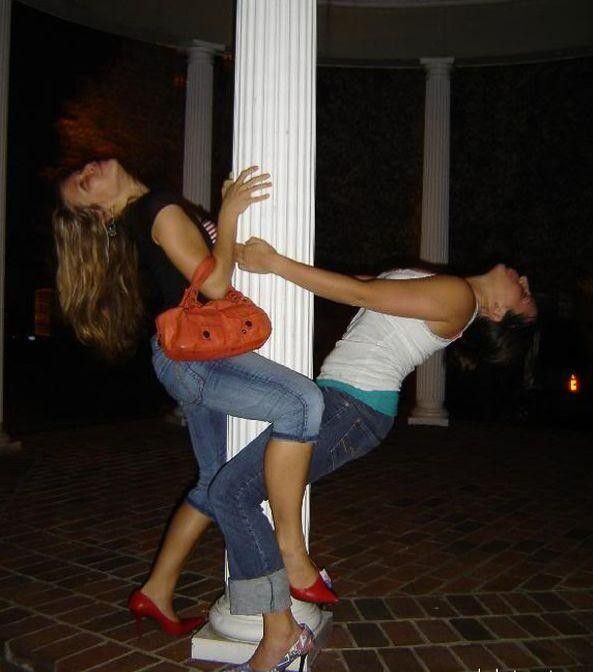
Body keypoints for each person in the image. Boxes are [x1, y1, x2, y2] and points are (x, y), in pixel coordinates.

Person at [205, 237, 537, 671]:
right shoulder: (454, 287)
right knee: (231, 492)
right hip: (345, 404)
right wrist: (274, 263)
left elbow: (362, 294)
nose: (524, 280)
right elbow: (363, 282)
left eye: (524, 295)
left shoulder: (459, 297)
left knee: (231, 493)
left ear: (496, 313)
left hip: (352, 408)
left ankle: (282, 619)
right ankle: (284, 610)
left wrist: (275, 263)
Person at [52, 159, 334, 637]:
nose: (88, 169)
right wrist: (228, 214)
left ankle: (156, 590)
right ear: (100, 213)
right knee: (303, 404)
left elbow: (205, 269)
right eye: (83, 183)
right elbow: (215, 285)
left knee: (213, 480)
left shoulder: (153, 209)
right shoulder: (156, 209)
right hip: (196, 360)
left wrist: (223, 219)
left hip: (182, 357)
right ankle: (291, 551)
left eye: (81, 171)